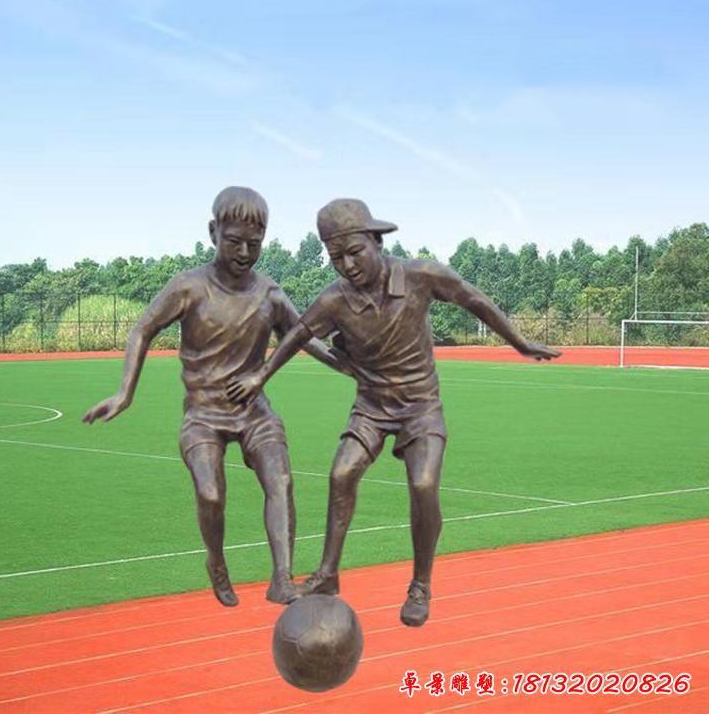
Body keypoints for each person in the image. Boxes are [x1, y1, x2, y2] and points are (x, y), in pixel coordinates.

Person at [227, 198, 560, 626]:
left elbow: (473, 299)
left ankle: (420, 584)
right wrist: (260, 376)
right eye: (336, 258)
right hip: (371, 406)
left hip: (421, 406)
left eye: (354, 252)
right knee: (341, 474)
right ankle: (327, 574)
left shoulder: (421, 276)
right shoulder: (334, 300)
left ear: (377, 241)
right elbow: (296, 336)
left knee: (423, 485)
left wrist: (520, 342)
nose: (347, 265)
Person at [84, 187, 346, 607]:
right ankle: (217, 562)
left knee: (280, 480)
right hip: (204, 415)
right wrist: (124, 393)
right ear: (213, 232)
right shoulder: (189, 287)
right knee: (210, 494)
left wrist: (351, 367)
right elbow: (142, 330)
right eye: (234, 241)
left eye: (254, 244)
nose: (244, 252)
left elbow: (304, 338)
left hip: (254, 411)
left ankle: (282, 578)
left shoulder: (269, 294)